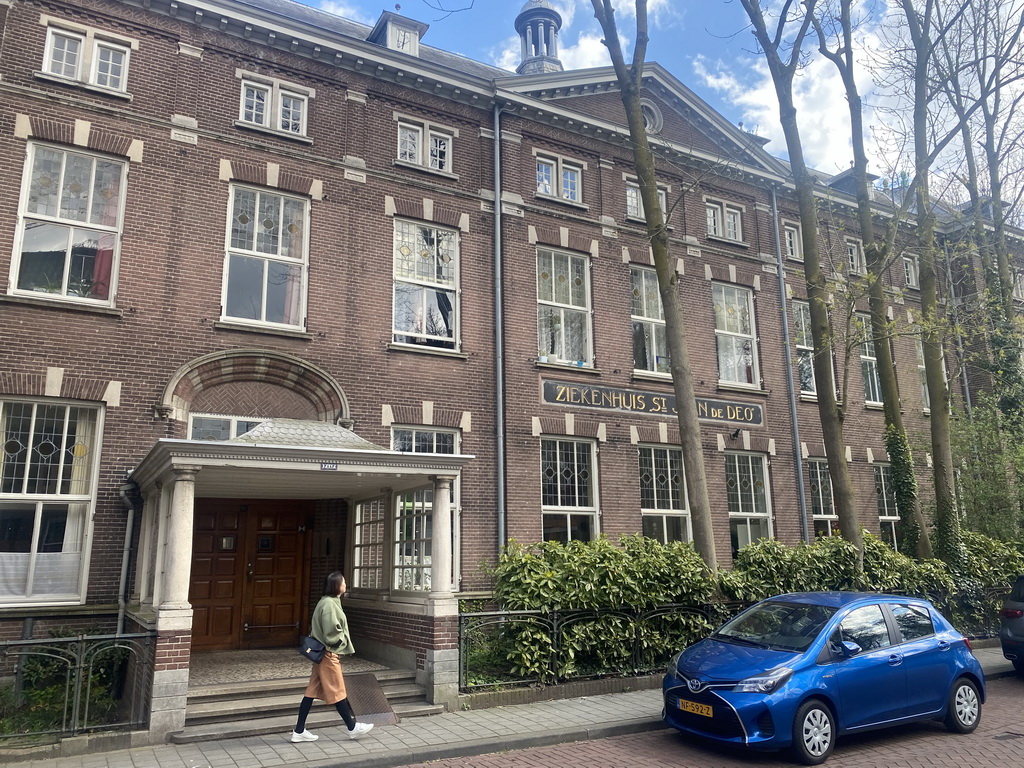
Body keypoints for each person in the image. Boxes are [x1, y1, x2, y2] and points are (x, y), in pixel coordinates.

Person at [291, 571, 374, 743]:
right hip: (328, 654)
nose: (345, 584)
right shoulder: (329, 604)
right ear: (336, 585)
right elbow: (331, 631)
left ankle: (299, 730)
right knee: (338, 690)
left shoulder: (327, 602)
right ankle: (352, 727)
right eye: (343, 582)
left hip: (323, 654)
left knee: (311, 692)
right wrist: (339, 642)